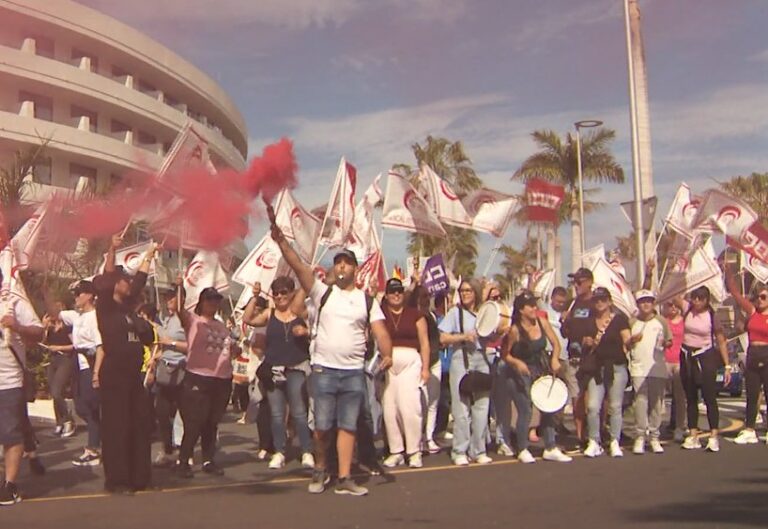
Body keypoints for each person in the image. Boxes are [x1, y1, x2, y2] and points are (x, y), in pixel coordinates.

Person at [269, 205, 393, 497]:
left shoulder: (366, 300)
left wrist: (388, 353)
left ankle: (346, 477)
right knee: (322, 427)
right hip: (324, 371)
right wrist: (281, 241)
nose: (341, 267)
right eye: (338, 262)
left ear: (355, 269)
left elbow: (381, 332)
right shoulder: (322, 293)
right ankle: (321, 468)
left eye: (347, 263)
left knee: (348, 426)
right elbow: (299, 266)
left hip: (352, 374)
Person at [92, 235, 157, 493]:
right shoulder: (106, 307)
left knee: (139, 424)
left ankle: (140, 477)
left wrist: (150, 253)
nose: (127, 282)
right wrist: (112, 248)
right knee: (117, 427)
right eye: (123, 279)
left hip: (133, 376)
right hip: (114, 375)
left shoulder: (129, 310)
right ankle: (117, 480)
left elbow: (140, 280)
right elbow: (108, 278)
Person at [242, 277, 314, 470]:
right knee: (276, 414)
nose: (280, 296)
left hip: (296, 367)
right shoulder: (269, 313)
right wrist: (254, 297)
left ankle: (307, 450)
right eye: (276, 293)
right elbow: (247, 319)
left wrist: (305, 332)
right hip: (274, 370)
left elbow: (315, 329)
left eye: (284, 292)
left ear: (291, 293)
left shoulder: (301, 313)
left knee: (299, 413)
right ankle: (279, 452)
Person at [500, 291, 572, 463]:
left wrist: (554, 359)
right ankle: (523, 448)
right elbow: (505, 354)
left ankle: (550, 446)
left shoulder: (542, 321)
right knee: (525, 409)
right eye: (530, 305)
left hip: (540, 368)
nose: (534, 308)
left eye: (535, 304)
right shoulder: (515, 330)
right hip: (519, 372)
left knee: (547, 407)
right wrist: (517, 363)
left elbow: (555, 344)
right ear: (521, 310)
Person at [175, 285, 235, 478]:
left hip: (221, 378)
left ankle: (209, 460)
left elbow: (229, 350)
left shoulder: (222, 326)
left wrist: (236, 351)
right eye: (210, 299)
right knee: (194, 421)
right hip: (198, 376)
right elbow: (178, 309)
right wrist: (179, 285)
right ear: (201, 302)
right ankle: (184, 460)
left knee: (211, 422)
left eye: (216, 300)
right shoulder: (193, 321)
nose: (214, 303)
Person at [0, 269, 44, 506]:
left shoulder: (14, 302)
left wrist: (16, 327)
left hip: (8, 380)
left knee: (10, 433)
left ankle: (10, 485)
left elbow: (39, 332)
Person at [439, 278, 493, 466]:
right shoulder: (455, 313)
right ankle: (459, 450)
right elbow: (443, 337)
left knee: (481, 406)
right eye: (462, 291)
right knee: (461, 407)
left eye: (469, 290)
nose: (465, 293)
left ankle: (478, 450)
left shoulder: (484, 313)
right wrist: (463, 336)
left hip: (482, 358)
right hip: (461, 358)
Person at [380, 278, 431, 469]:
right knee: (390, 409)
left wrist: (425, 369)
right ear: (386, 295)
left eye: (399, 291)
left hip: (410, 363)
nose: (396, 295)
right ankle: (396, 451)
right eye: (392, 291)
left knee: (409, 408)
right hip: (388, 364)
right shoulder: (381, 314)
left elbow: (424, 343)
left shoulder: (415, 315)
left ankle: (414, 451)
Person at [674, 286, 730, 452]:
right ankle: (693, 434)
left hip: (705, 356)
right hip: (687, 355)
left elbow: (721, 341)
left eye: (700, 298)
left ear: (706, 300)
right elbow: (673, 295)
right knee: (690, 397)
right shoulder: (687, 309)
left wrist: (727, 366)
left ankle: (713, 436)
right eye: (694, 298)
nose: (696, 301)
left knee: (709, 396)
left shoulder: (712, 316)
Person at [579, 287, 632, 458]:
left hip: (616, 367)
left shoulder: (619, 320)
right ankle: (594, 441)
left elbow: (627, 340)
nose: (599, 303)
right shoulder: (589, 321)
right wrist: (586, 341)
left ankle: (615, 440)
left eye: (603, 299)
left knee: (615, 406)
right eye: (596, 300)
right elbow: (584, 341)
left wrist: (632, 341)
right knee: (593, 406)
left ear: (609, 301)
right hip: (597, 368)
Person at [56, 280, 104, 467]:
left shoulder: (95, 317)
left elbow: (100, 346)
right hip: (78, 364)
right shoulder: (78, 316)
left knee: (90, 406)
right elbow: (55, 312)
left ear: (90, 296)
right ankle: (98, 438)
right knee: (80, 407)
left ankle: (93, 449)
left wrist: (96, 373)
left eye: (79, 293)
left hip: (90, 365)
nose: (75, 297)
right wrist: (44, 290)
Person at [725, 267, 768, 445]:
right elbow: (735, 294)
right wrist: (728, 274)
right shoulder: (752, 312)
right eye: (758, 297)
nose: (760, 300)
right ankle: (749, 429)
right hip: (752, 354)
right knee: (752, 393)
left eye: (764, 297)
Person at [628, 290, 672, 455]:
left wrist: (665, 343)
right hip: (638, 367)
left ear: (653, 303)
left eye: (649, 301)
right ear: (638, 304)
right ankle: (640, 436)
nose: (646, 304)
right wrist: (632, 340)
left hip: (657, 367)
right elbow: (625, 343)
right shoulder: (632, 322)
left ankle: (654, 436)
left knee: (655, 403)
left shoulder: (661, 321)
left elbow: (669, 341)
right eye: (642, 301)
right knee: (640, 402)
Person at [150, 290, 188, 467]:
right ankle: (167, 448)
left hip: (181, 370)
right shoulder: (167, 319)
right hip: (164, 370)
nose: (168, 302)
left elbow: (192, 346)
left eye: (172, 298)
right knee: (162, 412)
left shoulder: (186, 320)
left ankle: (183, 450)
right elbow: (161, 340)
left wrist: (171, 344)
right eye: (167, 298)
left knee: (184, 412)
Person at [560, 268, 594, 444]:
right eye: (574, 282)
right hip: (573, 357)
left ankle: (597, 432)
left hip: (592, 358)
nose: (576, 286)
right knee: (576, 398)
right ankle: (580, 437)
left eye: (579, 282)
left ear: (589, 282)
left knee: (593, 400)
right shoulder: (571, 304)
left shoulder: (597, 303)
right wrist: (564, 322)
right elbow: (565, 333)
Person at [413, 285, 443, 454]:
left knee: (433, 402)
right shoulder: (413, 316)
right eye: (422, 296)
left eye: (427, 296)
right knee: (420, 403)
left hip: (435, 361)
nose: (425, 299)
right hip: (419, 363)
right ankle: (417, 439)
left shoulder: (431, 315)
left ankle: (429, 437)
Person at [42, 308, 76, 438]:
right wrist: (44, 328)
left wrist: (59, 348)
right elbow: (42, 342)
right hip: (53, 359)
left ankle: (68, 420)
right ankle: (59, 422)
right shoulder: (50, 329)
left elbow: (75, 345)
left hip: (65, 359)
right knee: (54, 392)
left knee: (57, 390)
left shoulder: (67, 327)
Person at [662, 299, 686, 443]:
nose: (672, 308)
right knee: (659, 396)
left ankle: (679, 427)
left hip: (679, 361)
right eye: (669, 305)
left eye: (675, 305)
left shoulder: (685, 322)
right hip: (664, 360)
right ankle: (655, 426)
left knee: (680, 396)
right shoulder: (663, 322)